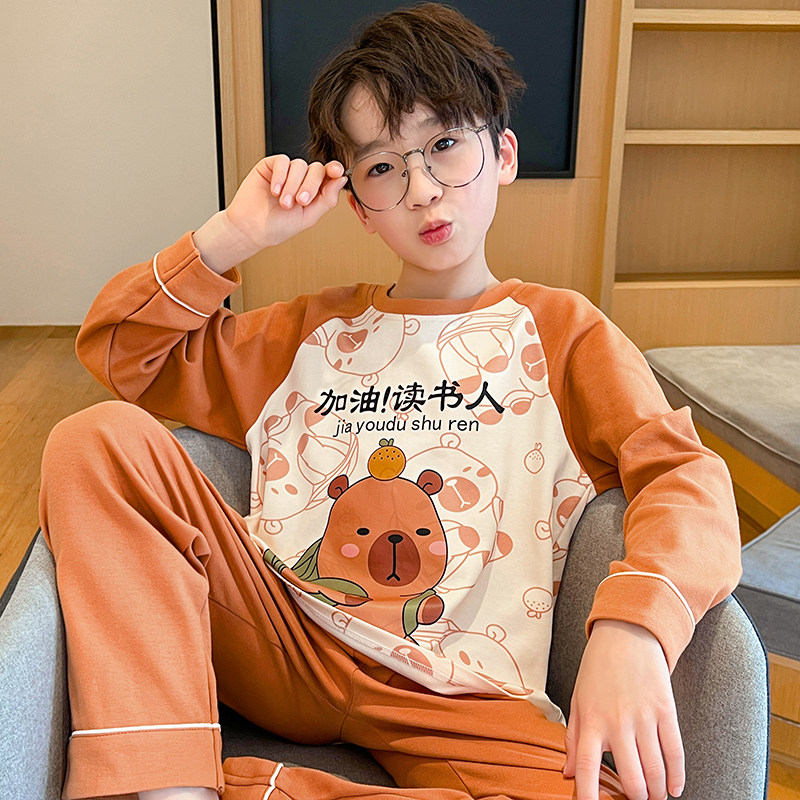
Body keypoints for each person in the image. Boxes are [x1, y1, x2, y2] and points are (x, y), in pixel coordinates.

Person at [39, 4, 741, 800]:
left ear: (504, 154)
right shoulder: (307, 332)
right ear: (358, 206)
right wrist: (236, 234)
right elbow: (119, 349)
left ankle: (244, 784)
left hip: (459, 697)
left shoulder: (563, 333)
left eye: (444, 145)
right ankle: (172, 788)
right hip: (283, 635)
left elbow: (683, 475)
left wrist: (633, 626)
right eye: (381, 168)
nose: (423, 190)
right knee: (96, 438)